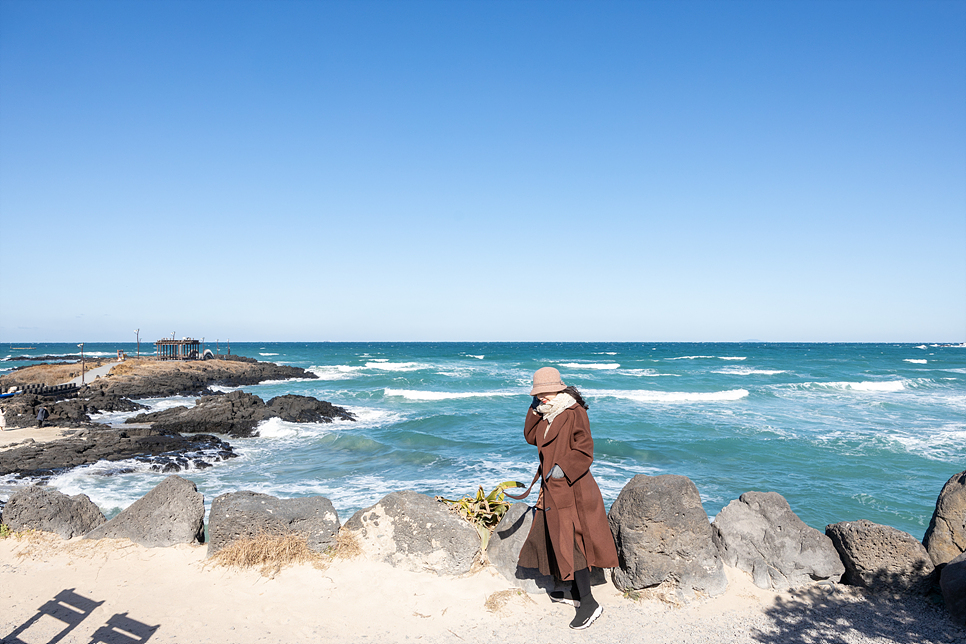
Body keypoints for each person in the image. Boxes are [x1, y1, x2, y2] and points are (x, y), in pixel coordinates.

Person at [513, 367, 619, 630]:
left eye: (543, 393)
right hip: (553, 488)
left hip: (573, 487)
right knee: (554, 537)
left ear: (557, 389)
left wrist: (561, 469)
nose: (541, 398)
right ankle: (572, 592)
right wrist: (534, 407)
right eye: (536, 394)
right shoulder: (544, 412)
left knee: (574, 542)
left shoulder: (573, 411)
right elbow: (529, 437)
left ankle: (589, 602)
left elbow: (585, 449)